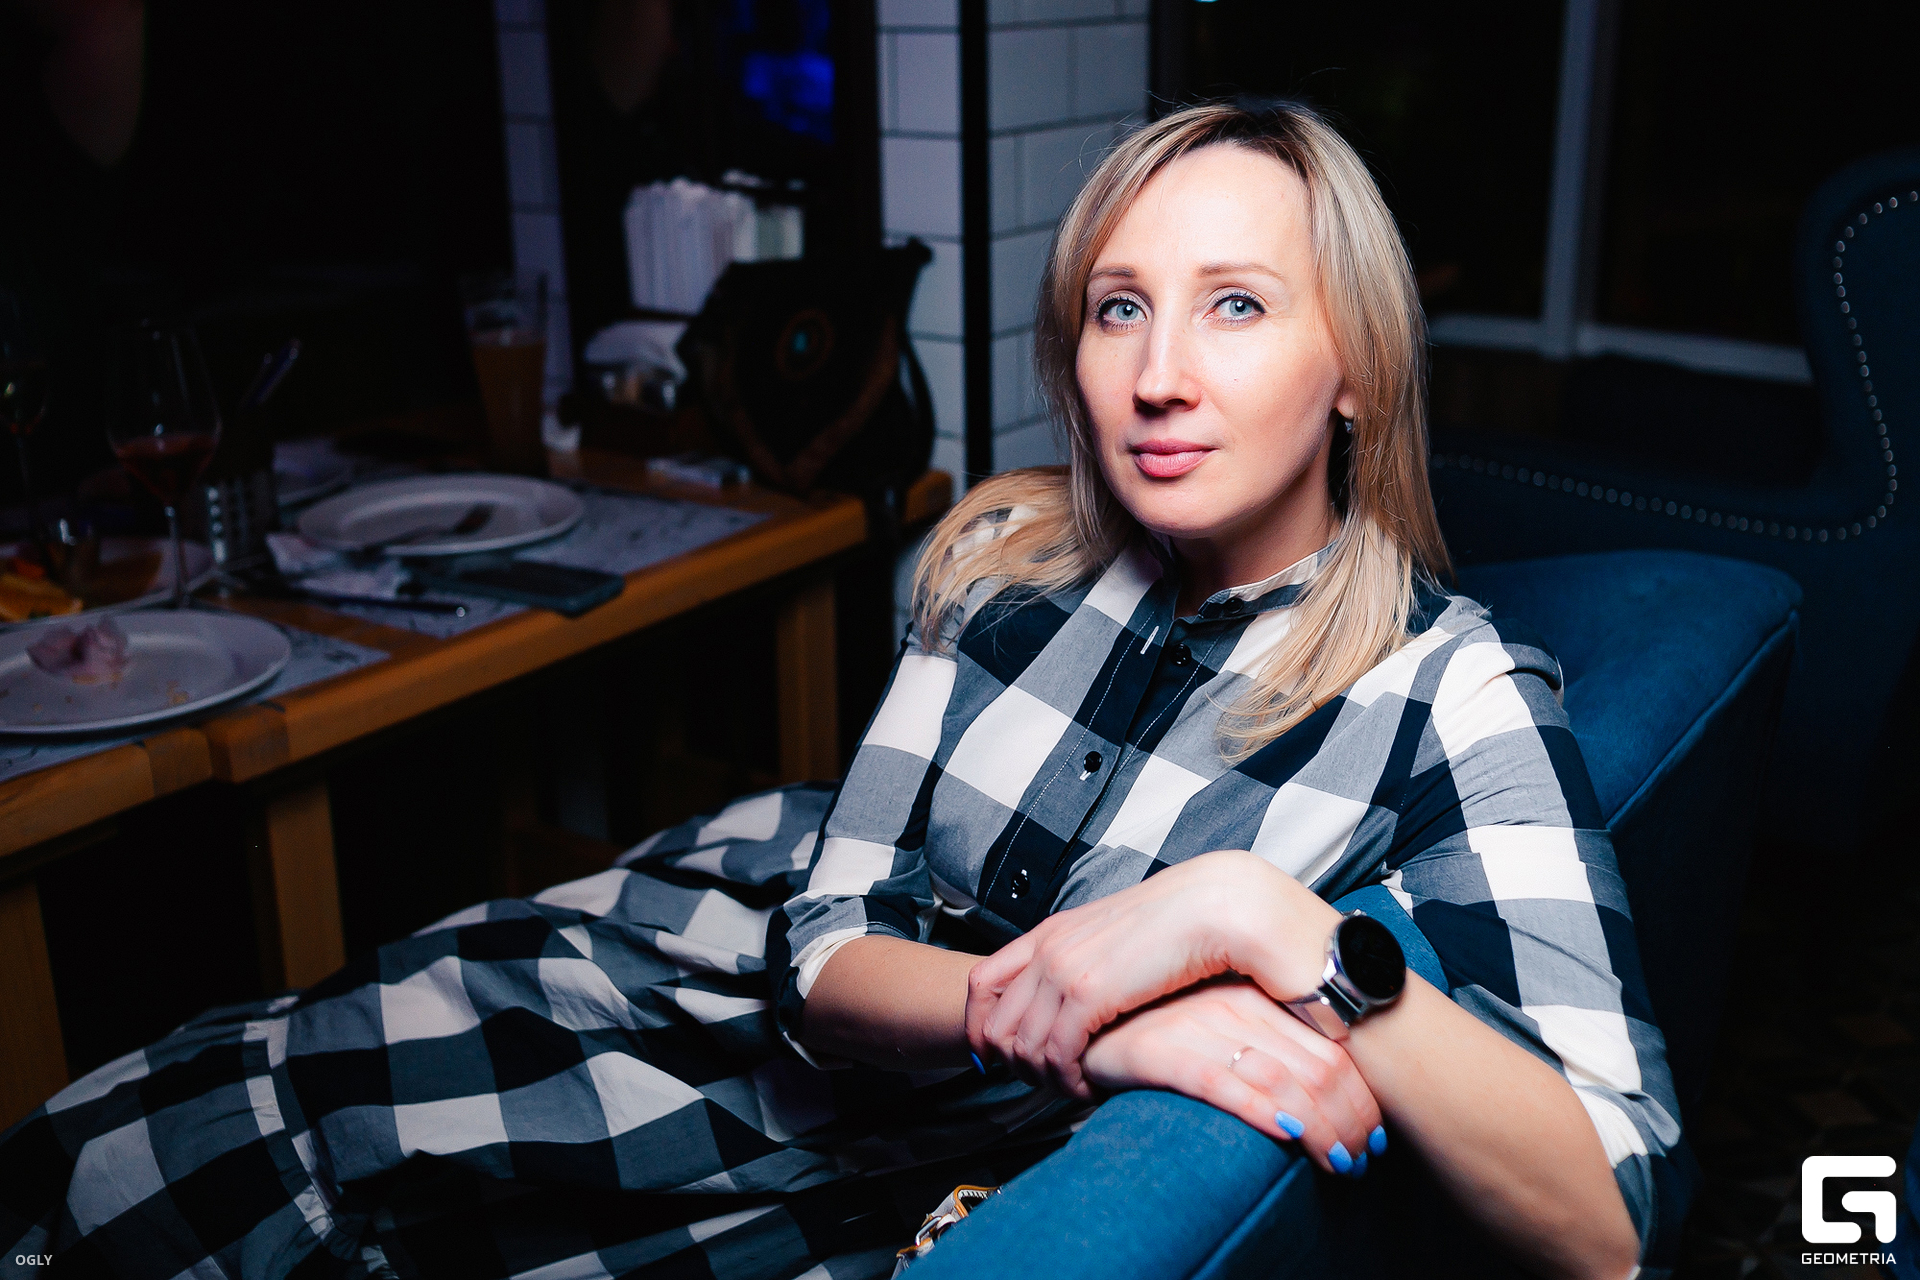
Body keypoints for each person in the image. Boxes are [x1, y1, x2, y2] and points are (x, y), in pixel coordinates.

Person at [0, 101, 1687, 1280]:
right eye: (1119, 310)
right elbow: (823, 945)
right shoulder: (1006, 561)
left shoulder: (1449, 691)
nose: (1158, 377)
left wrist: (1260, 918)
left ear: (1357, 368)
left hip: (847, 1161)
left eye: (1235, 306)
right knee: (178, 1116)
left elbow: (1614, 1216)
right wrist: (1083, 1015)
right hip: (701, 963)